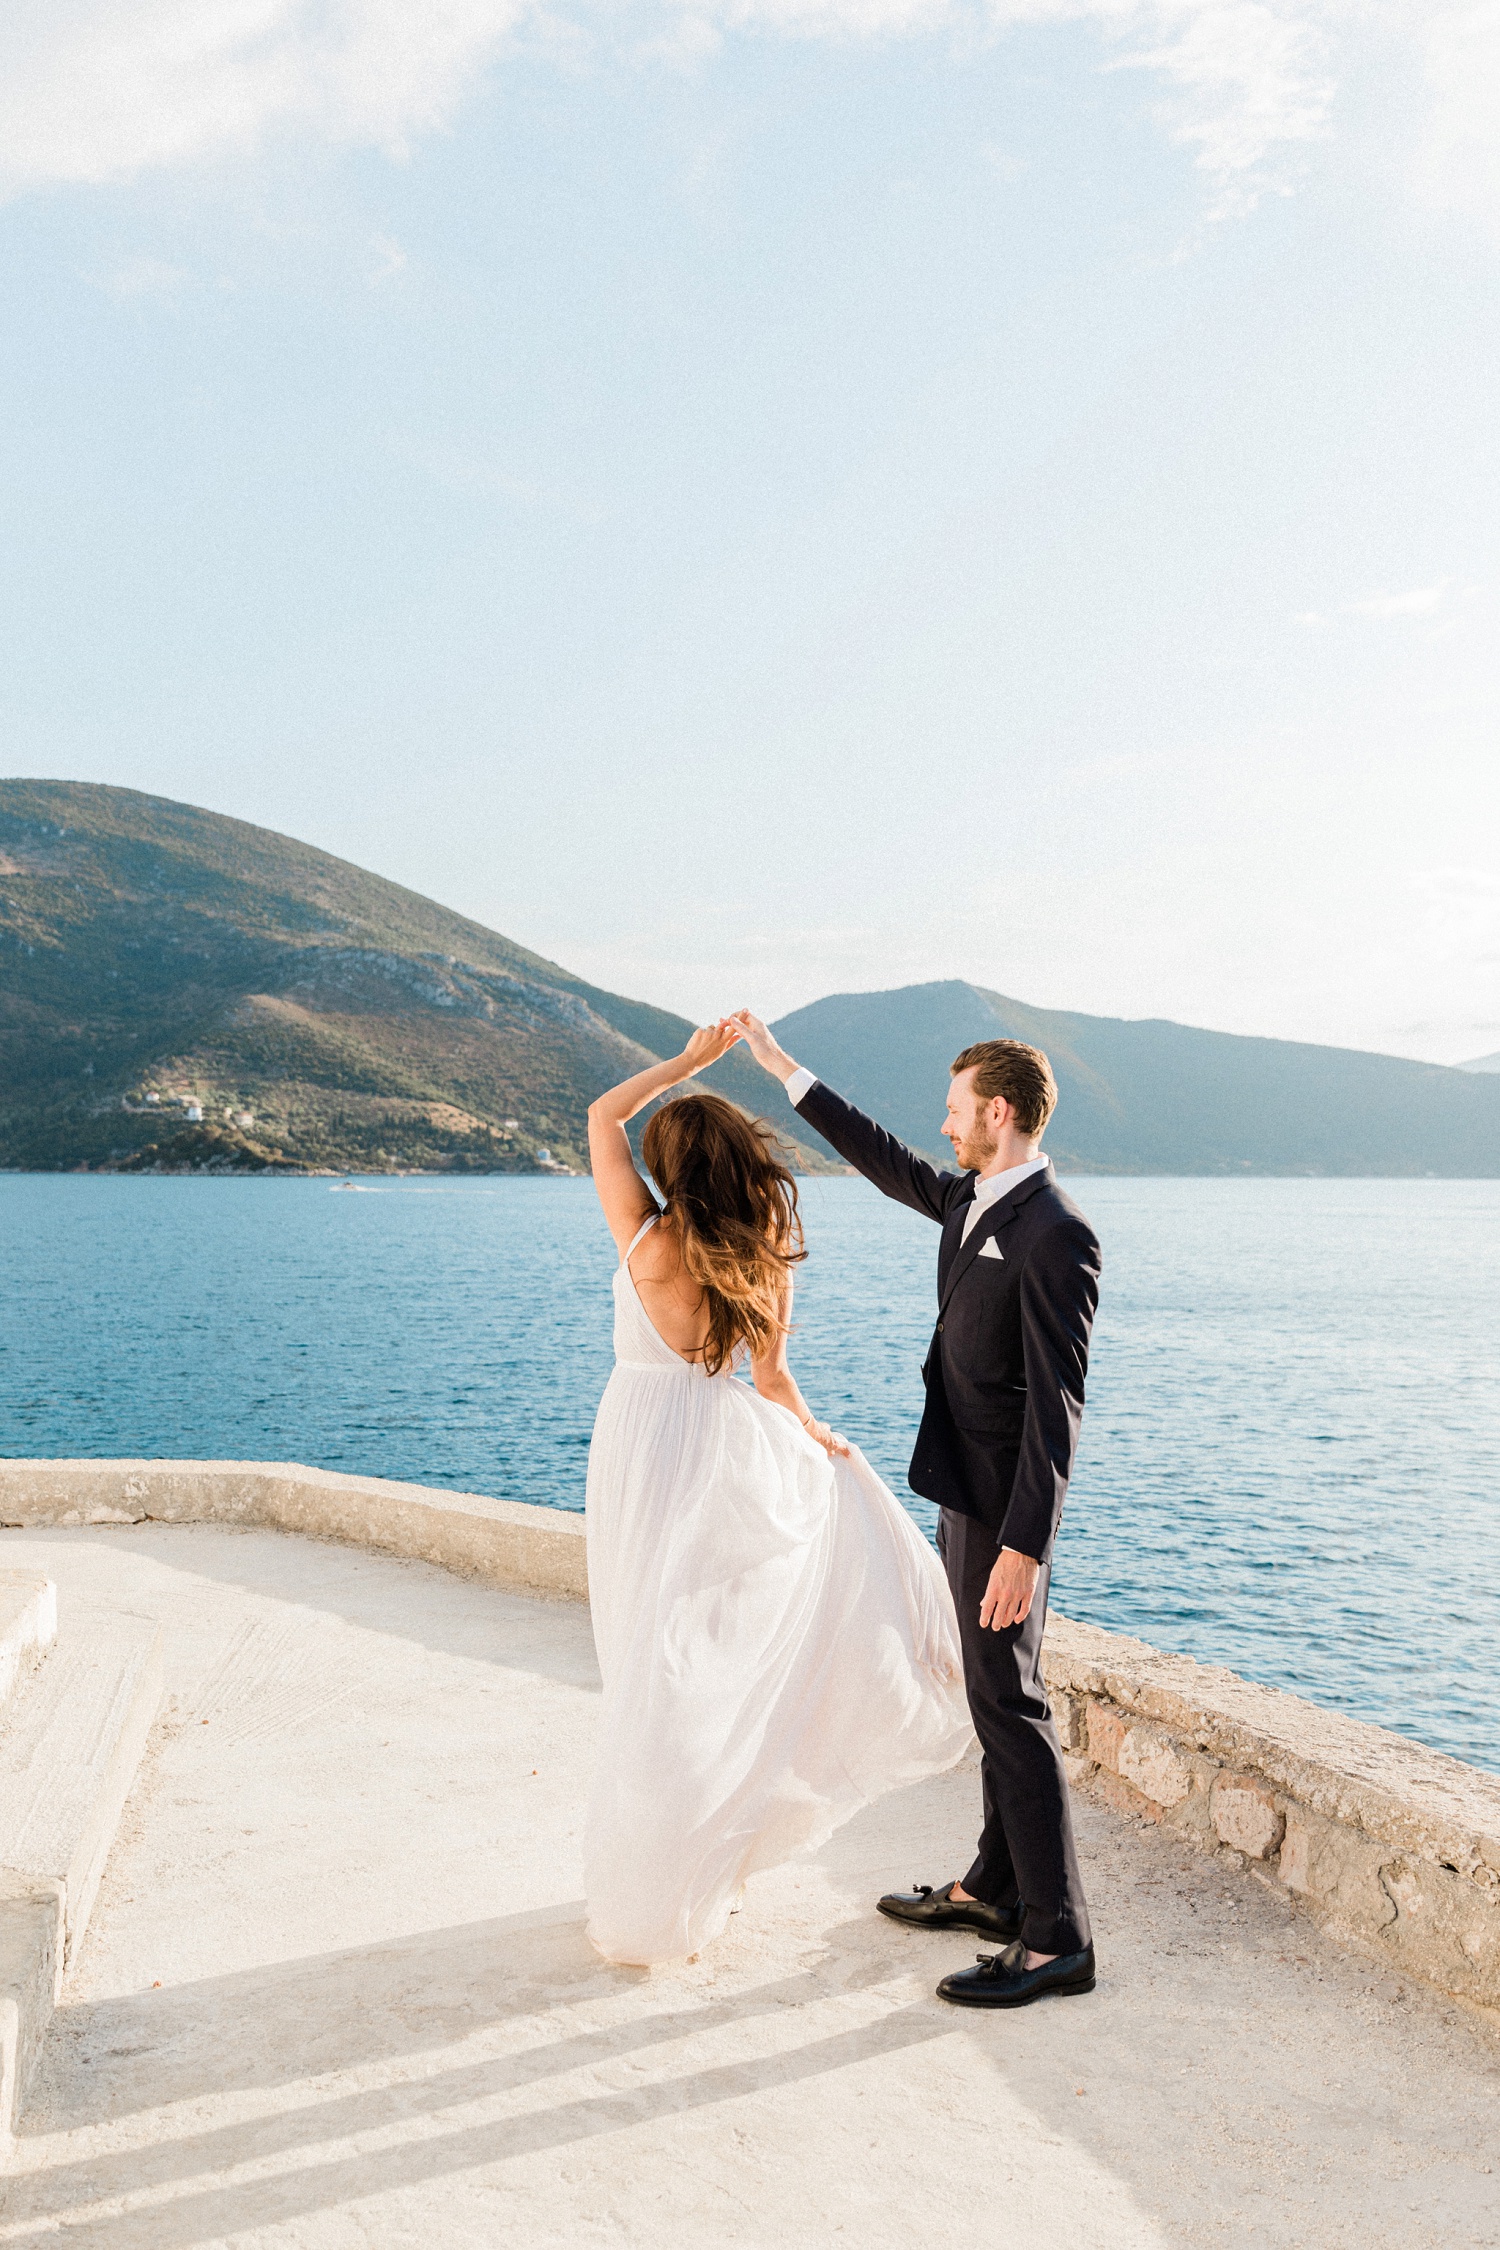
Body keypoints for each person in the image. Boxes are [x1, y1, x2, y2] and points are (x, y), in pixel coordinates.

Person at [582, 1020, 973, 1968]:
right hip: (722, 1456)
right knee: (708, 1667)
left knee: (644, 1661)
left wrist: (685, 1062)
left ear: (673, 1166)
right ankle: (702, 1861)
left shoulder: (643, 1236)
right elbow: (773, 1384)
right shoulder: (759, 1254)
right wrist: (816, 1439)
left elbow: (602, 1114)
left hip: (636, 1452)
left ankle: (657, 1879)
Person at [732, 1011, 1101, 2011]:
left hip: (1004, 1515)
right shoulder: (973, 1199)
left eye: (954, 1111)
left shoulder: (1057, 1235)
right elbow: (881, 1156)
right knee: (987, 1696)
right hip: (962, 1495)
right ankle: (994, 1885)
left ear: (999, 1112)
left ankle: (1057, 1938)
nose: (942, 1128)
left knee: (1011, 1706)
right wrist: (783, 1070)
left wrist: (1026, 1546)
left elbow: (1057, 1412)